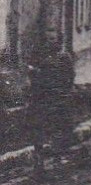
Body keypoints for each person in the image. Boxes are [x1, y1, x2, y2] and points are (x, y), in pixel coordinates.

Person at [28, 43, 77, 176]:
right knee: (42, 128)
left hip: (56, 98)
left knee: (57, 128)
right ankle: (41, 161)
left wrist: (65, 92)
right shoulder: (39, 59)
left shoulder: (64, 58)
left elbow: (70, 77)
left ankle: (57, 158)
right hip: (43, 99)